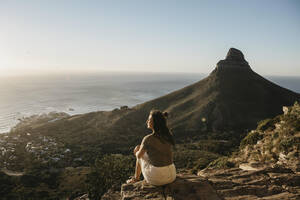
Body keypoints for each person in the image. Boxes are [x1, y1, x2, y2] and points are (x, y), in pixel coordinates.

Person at [126, 110, 176, 186]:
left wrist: (136, 151)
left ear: (155, 123)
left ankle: (136, 178)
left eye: (149, 120)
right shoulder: (167, 136)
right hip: (172, 175)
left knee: (138, 150)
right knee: (142, 151)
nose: (147, 121)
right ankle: (136, 178)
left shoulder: (148, 139)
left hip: (158, 179)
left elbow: (139, 156)